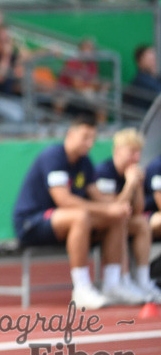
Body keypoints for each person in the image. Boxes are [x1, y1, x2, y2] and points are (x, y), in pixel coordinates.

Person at [12, 115, 141, 309]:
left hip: (63, 221)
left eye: (93, 139)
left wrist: (126, 193)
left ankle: (113, 284)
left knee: (115, 218)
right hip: (32, 221)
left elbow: (99, 197)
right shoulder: (53, 156)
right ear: (70, 134)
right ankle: (81, 288)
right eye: (85, 137)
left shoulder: (85, 163)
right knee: (80, 216)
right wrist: (107, 208)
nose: (89, 143)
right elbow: (63, 200)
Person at [92, 128, 161, 302]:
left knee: (141, 223)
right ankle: (117, 281)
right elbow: (113, 208)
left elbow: (137, 210)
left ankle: (143, 280)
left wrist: (136, 186)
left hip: (122, 220)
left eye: (138, 153)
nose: (136, 158)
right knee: (119, 219)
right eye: (132, 152)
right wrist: (129, 185)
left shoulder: (133, 173)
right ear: (117, 151)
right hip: (100, 223)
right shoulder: (104, 171)